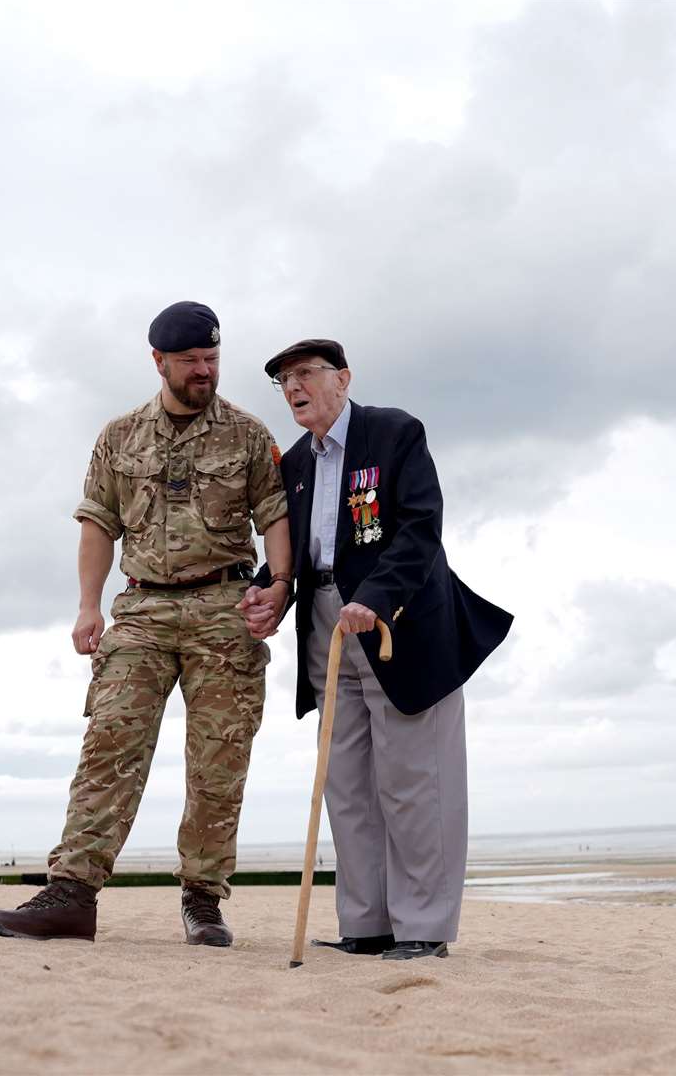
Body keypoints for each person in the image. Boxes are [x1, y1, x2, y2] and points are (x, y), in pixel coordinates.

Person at [0, 301, 292, 947]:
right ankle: (72, 893)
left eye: (211, 359)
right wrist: (87, 606)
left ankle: (203, 900)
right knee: (109, 744)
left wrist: (281, 586)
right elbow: (99, 520)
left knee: (218, 760)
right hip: (143, 609)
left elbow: (274, 514)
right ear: (160, 362)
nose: (203, 371)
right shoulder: (120, 436)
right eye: (190, 362)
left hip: (224, 609)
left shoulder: (245, 434)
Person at [240, 339, 512, 960]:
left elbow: (420, 527)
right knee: (347, 784)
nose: (294, 389)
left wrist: (378, 597)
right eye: (284, 381)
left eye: (305, 375)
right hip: (328, 632)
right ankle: (367, 925)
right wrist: (267, 593)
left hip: (402, 627)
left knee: (416, 783)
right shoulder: (295, 466)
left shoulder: (394, 434)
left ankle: (423, 928)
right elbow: (294, 555)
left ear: (343, 379)